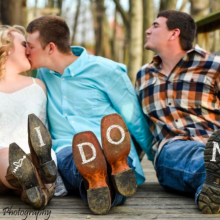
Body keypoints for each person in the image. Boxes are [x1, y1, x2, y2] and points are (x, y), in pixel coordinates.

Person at [26, 15, 153, 214]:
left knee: (94, 160)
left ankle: (112, 170)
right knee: (76, 158)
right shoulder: (41, 75)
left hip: (112, 145)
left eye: (30, 47)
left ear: (50, 48)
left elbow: (135, 119)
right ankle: (106, 180)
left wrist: (157, 161)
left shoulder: (107, 70)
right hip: (69, 149)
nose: (26, 52)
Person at [135, 10, 220, 214]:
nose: (148, 30)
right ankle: (214, 175)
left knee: (214, 153)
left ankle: (213, 184)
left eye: (155, 26)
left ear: (174, 34)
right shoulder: (143, 75)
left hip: (214, 141)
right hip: (171, 150)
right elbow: (138, 126)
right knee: (190, 156)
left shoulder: (214, 66)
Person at [0, 25, 57, 209]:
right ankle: (37, 185)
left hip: (37, 155)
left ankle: (33, 185)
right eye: (24, 44)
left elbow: (43, 128)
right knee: (8, 153)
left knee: (34, 158)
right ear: (7, 49)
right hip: (3, 161)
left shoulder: (37, 86)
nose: (28, 50)